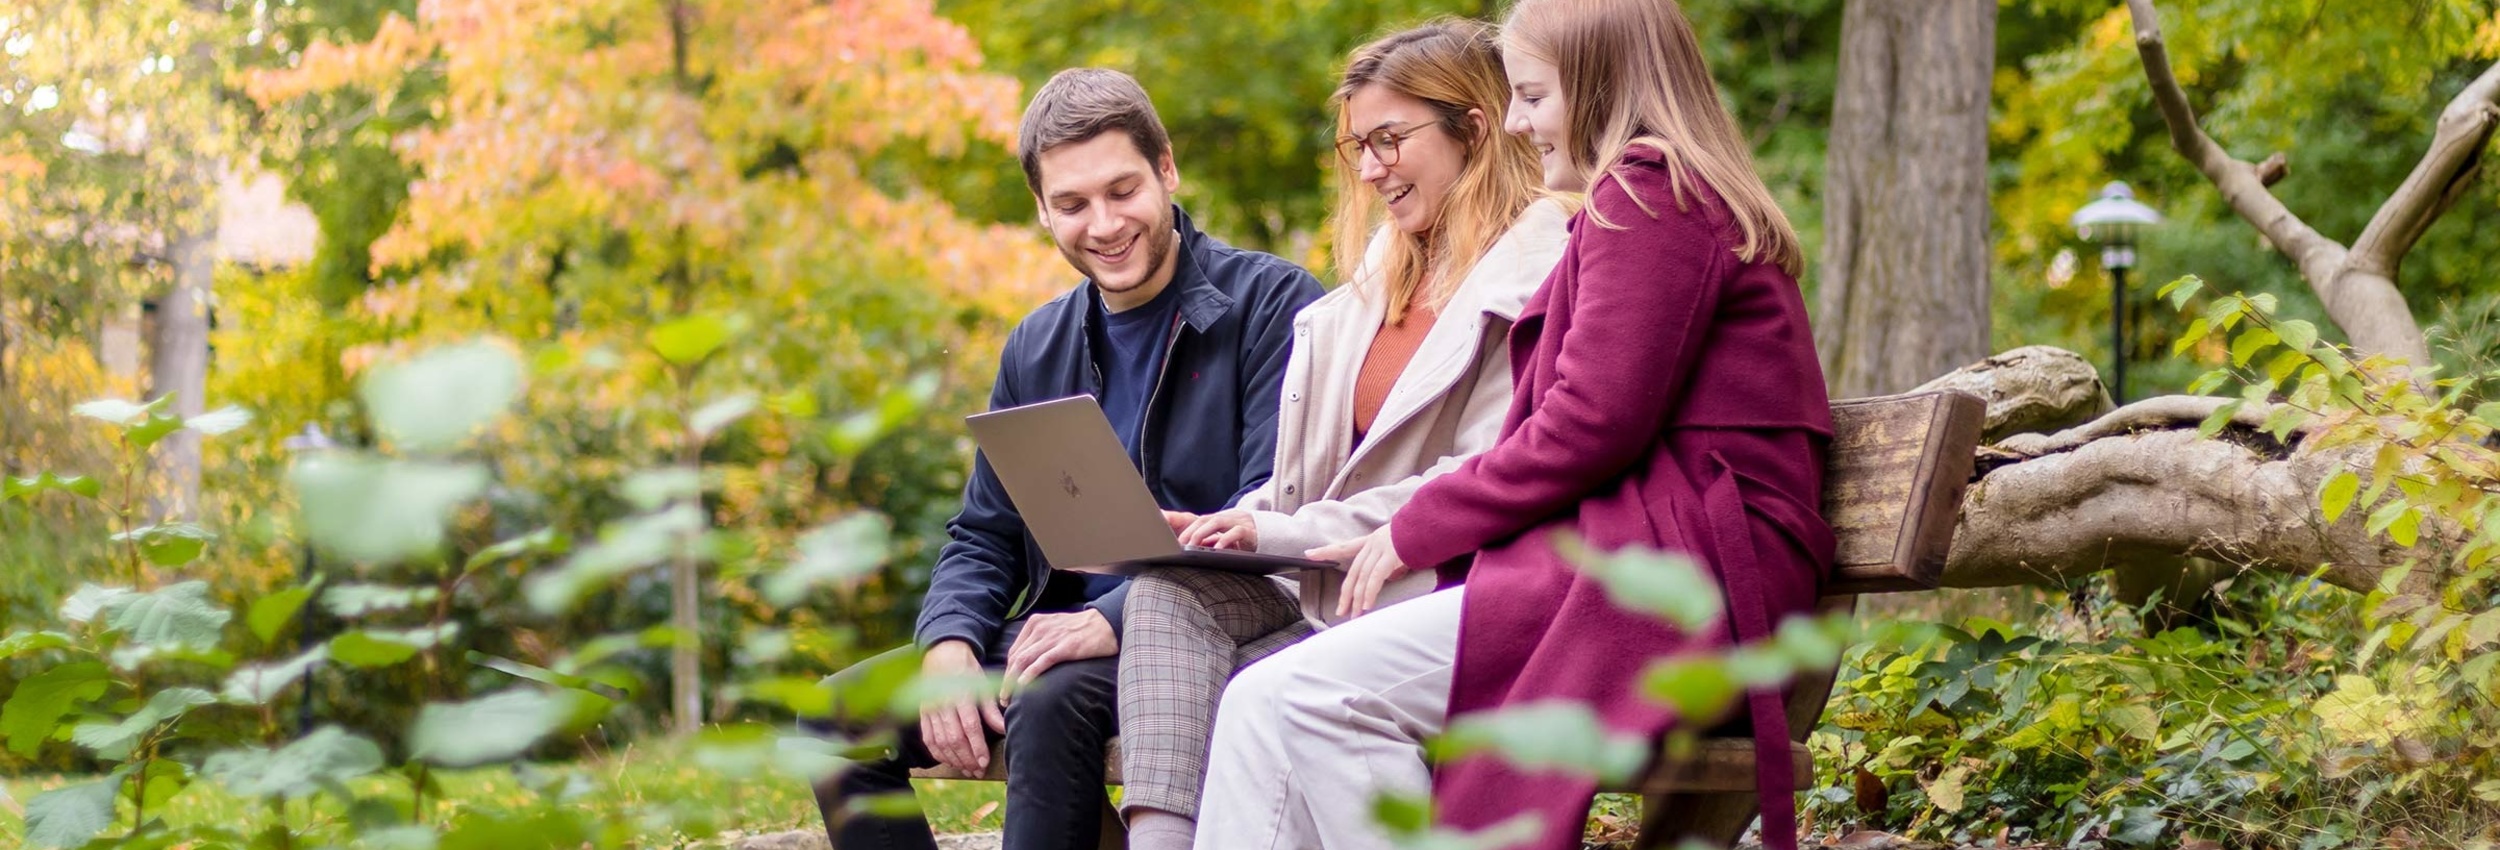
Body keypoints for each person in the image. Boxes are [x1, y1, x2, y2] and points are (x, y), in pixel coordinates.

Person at [1195, 1, 1833, 848]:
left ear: (1603, 86)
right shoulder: (1647, 197)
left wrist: (1417, 529)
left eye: (1533, 96)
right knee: (1266, 701)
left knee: (1307, 696)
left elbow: (1589, 423)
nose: (1517, 122)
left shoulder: (1650, 194)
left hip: (1678, 577)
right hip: (1631, 558)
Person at [810, 67, 1323, 850]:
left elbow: (1274, 512)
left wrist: (1110, 616)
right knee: (834, 713)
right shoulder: (1037, 344)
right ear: (1043, 211)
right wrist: (948, 643)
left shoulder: (1272, 305)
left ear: (1167, 169)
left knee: (1048, 699)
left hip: (1208, 638)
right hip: (1054, 638)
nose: (1105, 224)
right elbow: (984, 532)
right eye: (1073, 204)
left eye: (1123, 191)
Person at [1111, 19, 1570, 850]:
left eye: (1390, 140)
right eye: (1357, 145)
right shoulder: (1377, 281)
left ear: (1473, 125)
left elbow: (1481, 471)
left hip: (1434, 598)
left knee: (1266, 697)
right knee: (1170, 595)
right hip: (1330, 590)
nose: (1369, 169)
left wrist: (1277, 529)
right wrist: (1234, 525)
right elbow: (1311, 479)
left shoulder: (1534, 278)